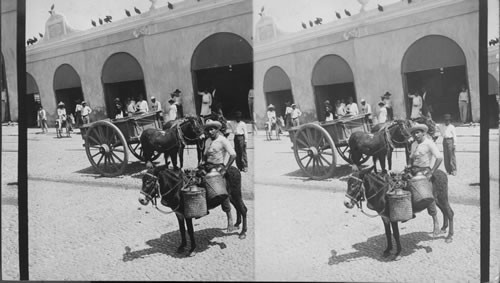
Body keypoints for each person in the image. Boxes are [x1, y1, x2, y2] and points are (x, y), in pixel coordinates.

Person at [199, 119, 237, 223]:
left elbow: (233, 155)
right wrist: (202, 162)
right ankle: (202, 208)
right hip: (207, 165)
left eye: (212, 129)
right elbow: (205, 155)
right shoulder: (208, 141)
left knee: (220, 190)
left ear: (217, 129)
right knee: (196, 182)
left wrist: (225, 168)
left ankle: (229, 216)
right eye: (208, 130)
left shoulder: (223, 140)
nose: (210, 132)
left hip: (218, 166)